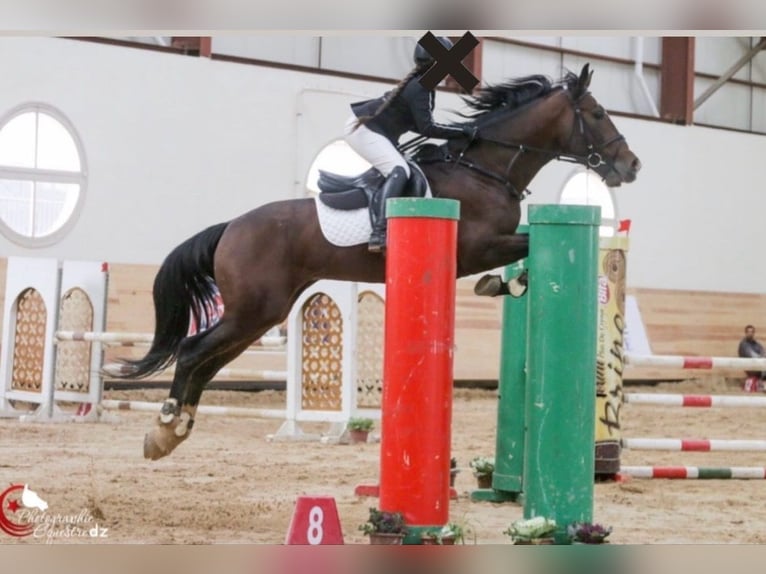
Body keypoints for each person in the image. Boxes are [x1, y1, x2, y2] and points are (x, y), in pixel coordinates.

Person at [344, 36, 477, 252]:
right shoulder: (421, 88)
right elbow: (426, 129)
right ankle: (379, 232)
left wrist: (458, 131)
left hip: (375, 130)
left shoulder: (424, 86)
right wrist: (461, 131)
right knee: (399, 170)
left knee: (405, 166)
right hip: (364, 131)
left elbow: (418, 126)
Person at [738, 324, 766, 391]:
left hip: (758, 364)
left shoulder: (756, 344)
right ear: (746, 333)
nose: (750, 333)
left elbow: (763, 351)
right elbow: (752, 355)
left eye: (752, 332)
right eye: (749, 332)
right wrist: (762, 357)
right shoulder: (743, 344)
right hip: (750, 366)